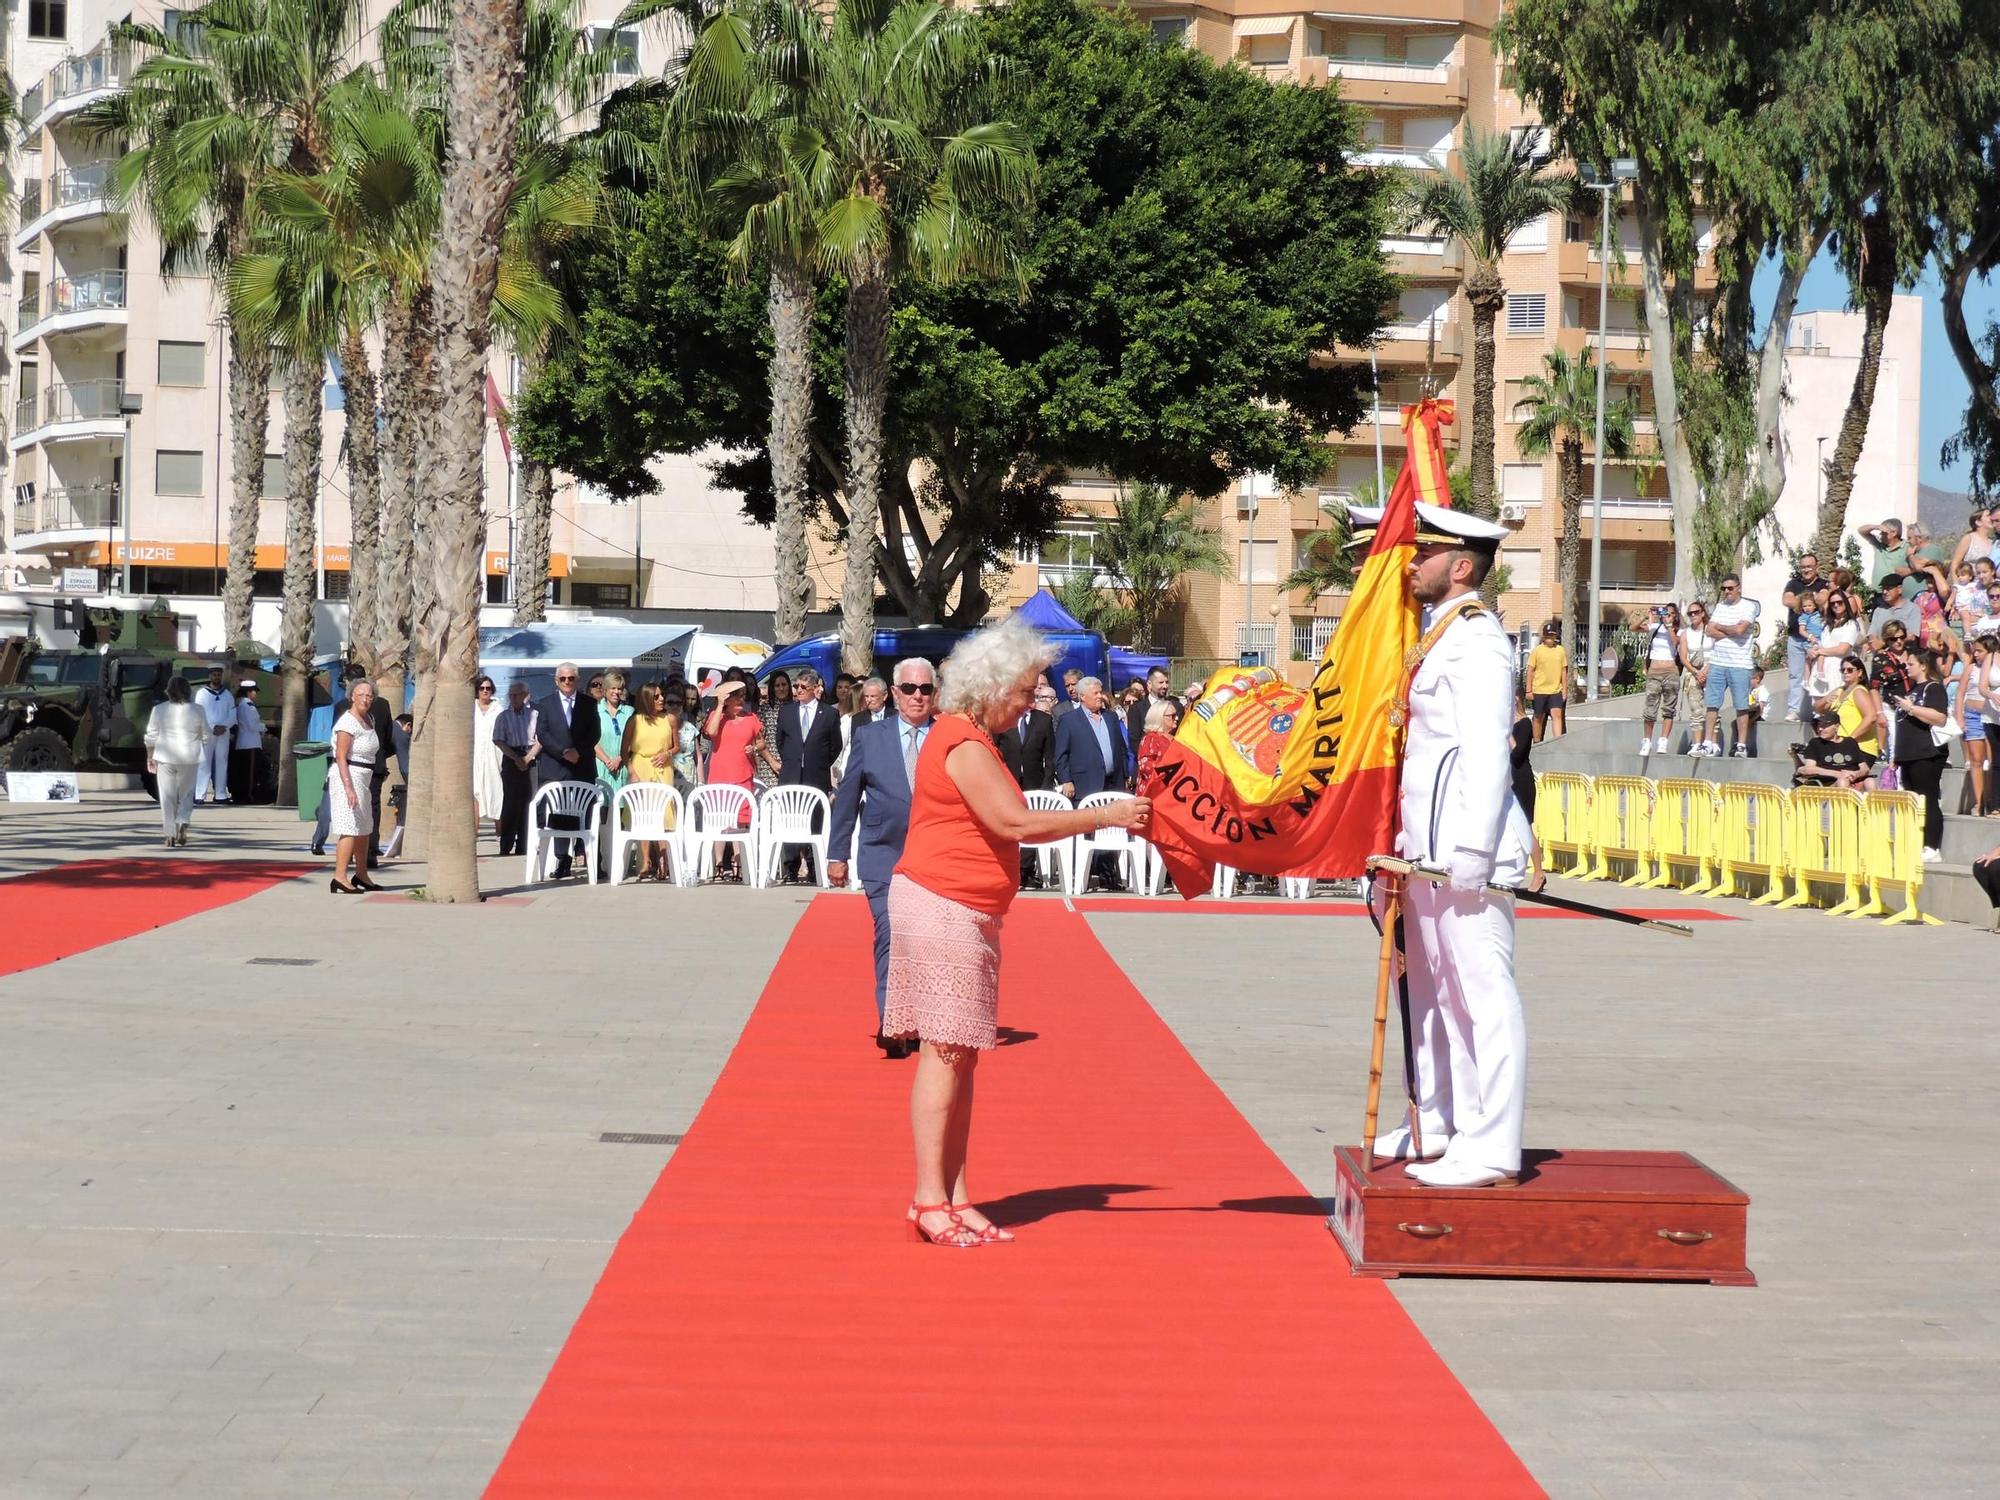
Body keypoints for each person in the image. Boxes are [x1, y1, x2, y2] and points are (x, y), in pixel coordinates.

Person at [884, 618, 1151, 1247]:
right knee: (945, 1054)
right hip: (943, 905)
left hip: (964, 908)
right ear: (994, 686)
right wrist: (1103, 813)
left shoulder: (971, 737)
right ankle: (928, 1200)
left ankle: (955, 1194)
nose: (1034, 699)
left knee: (961, 1057)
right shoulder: (963, 742)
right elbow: (1013, 823)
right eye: (1028, 689)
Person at [1371, 503, 1532, 1190]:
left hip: (1470, 855)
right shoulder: (1440, 636)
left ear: (1461, 566)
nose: (1413, 563)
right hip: (1432, 852)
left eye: (1427, 553)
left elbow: (1487, 756)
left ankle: (1494, 1146)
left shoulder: (1478, 641)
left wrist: (1471, 850)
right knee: (1446, 996)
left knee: (1482, 996)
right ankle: (1462, 1129)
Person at [829, 658, 938, 1057]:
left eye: (925, 689)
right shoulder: (870, 737)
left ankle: (924, 1019)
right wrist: (836, 853)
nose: (917, 696)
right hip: (882, 854)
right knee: (890, 933)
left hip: (935, 860)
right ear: (895, 693)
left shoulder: (950, 739)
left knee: (926, 942)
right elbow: (848, 797)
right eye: (909, 689)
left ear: (934, 693)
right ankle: (892, 1023)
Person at [1053, 674, 1131, 890]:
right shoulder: (1069, 721)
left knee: (1110, 827)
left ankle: (1109, 875)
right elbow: (1061, 755)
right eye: (1096, 693)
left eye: (1100, 692)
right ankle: (1082, 875)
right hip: (1085, 784)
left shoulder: (1111, 718)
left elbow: (1121, 749)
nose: (1100, 696)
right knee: (1085, 829)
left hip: (1112, 782)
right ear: (1083, 696)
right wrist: (1066, 780)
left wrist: (1125, 773)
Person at [702, 680, 778, 882]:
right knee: (720, 820)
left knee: (740, 821)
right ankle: (719, 863)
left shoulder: (751, 718)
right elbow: (711, 732)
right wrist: (719, 706)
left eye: (742, 696)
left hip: (743, 774)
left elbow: (761, 741)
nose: (740, 700)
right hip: (720, 775)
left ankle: (738, 863)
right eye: (736, 697)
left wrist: (754, 748)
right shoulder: (716, 716)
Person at [535, 662, 603, 879]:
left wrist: (578, 752)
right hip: (556, 767)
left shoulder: (589, 703)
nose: (567, 682)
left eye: (571, 678)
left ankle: (593, 860)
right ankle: (562, 859)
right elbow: (543, 734)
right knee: (559, 816)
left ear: (577, 679)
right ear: (556, 680)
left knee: (588, 812)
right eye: (563, 679)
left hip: (582, 766)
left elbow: (594, 733)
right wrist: (563, 752)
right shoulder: (545, 704)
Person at [772, 666, 841, 881]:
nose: (798, 690)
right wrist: (794, 761)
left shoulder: (829, 713)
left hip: (815, 775)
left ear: (814, 689)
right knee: (790, 820)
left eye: (803, 687)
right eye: (796, 686)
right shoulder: (787, 712)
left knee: (815, 822)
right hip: (791, 774)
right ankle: (790, 867)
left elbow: (835, 745)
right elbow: (780, 742)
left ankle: (813, 867)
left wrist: (816, 762)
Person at [1888, 648, 1951, 861]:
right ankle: (1916, 842)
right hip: (1908, 753)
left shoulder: (1933, 688)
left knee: (1928, 798)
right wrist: (1895, 756)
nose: (1906, 667)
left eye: (1911, 664)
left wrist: (1912, 708)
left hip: (1927, 753)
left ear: (1923, 665)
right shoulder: (1913, 689)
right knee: (1913, 800)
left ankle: (1932, 846)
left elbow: (1939, 717)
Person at [621, 682, 681, 881]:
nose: (662, 699)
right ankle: (646, 861)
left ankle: (663, 860)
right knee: (643, 815)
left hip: (663, 769)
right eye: (656, 697)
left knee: (664, 814)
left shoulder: (670, 719)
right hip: (641, 767)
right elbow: (624, 750)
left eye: (662, 695)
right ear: (646, 699)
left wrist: (667, 754)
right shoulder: (635, 721)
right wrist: (632, 772)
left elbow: (676, 747)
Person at [1695, 573, 1759, 757]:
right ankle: (1707, 743)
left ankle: (1741, 745)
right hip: (1718, 662)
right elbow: (1709, 630)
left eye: (1730, 588)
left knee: (1741, 705)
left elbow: (1741, 630)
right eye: (1723, 589)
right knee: (1712, 704)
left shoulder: (1749, 606)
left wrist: (1721, 628)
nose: (1726, 592)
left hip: (1740, 663)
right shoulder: (1721, 606)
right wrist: (1730, 630)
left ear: (1738, 587)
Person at [329, 680, 383, 894]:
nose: (365, 699)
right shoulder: (347, 722)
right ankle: (339, 876)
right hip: (348, 775)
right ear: (352, 696)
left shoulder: (370, 719)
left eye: (369, 695)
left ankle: (361, 874)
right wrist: (349, 787)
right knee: (349, 826)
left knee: (364, 827)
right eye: (361, 694)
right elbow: (341, 757)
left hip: (365, 777)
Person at [144, 675, 205, 848]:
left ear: (168, 692)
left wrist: (150, 756)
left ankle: (169, 834)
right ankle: (183, 820)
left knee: (167, 796)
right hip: (190, 756)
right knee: (186, 794)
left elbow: (150, 736)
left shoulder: (159, 709)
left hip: (165, 756)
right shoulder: (198, 709)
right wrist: (199, 741)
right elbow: (206, 733)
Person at [492, 680, 540, 858]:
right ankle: (505, 845)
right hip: (511, 757)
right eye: (510, 695)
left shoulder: (535, 715)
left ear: (525, 695)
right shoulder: (503, 716)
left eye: (517, 694)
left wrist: (528, 758)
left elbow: (541, 738)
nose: (513, 698)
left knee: (530, 800)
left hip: (531, 756)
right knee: (511, 803)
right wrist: (516, 758)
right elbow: (498, 739)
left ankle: (524, 845)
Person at [1781, 552, 1826, 721]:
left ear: (1816, 567)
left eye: (1809, 566)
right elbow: (1786, 600)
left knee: (1818, 673)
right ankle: (1794, 710)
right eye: (1803, 567)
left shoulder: (1823, 583)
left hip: (1814, 638)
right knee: (1795, 674)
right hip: (1795, 637)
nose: (1806, 570)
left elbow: (1822, 599)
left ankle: (1818, 710)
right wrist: (1810, 600)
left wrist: (1800, 600)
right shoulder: (1793, 583)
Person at [1638, 605, 1685, 754]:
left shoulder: (1679, 630)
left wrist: (1670, 625)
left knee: (1669, 709)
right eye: (1665, 613)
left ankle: (1663, 740)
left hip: (1670, 671)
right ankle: (1647, 741)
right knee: (1650, 708)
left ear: (1675, 616)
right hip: (1654, 671)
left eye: (1670, 614)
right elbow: (1634, 627)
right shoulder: (1655, 627)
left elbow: (1676, 642)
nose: (1667, 616)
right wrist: (1648, 616)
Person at [1791, 710, 1875, 791]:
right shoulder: (1815, 743)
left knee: (1870, 781)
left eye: (1824, 726)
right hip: (1829, 783)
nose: (1820, 729)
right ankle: (1845, 805)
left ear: (1836, 726)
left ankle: (1873, 805)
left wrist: (1856, 774)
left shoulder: (1850, 742)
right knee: (1843, 781)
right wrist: (1839, 774)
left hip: (1852, 778)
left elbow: (1865, 768)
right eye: (1819, 725)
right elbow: (1809, 769)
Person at [995, 682, 1057, 793]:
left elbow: (1050, 758)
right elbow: (995, 750)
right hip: (1008, 783)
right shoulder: (1004, 718)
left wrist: (1046, 787)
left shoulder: (1044, 720)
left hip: (1036, 785)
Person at [1804, 590, 1862, 702]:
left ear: (1845, 603)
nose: (1836, 605)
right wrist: (1811, 650)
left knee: (1835, 708)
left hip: (1837, 671)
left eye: (1839, 602)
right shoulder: (1826, 625)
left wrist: (1820, 651)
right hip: (1820, 671)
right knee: (1818, 710)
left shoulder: (1851, 624)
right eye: (1832, 603)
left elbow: (1842, 650)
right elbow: (1820, 643)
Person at [192, 666, 236, 805]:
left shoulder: (227, 695)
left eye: (218, 675)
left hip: (223, 733)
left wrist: (225, 726)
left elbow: (233, 714)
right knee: (204, 763)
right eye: (214, 675)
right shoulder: (202, 694)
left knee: (222, 763)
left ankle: (221, 795)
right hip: (207, 732)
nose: (216, 677)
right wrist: (212, 727)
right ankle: (200, 794)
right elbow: (199, 713)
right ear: (210, 676)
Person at [472, 675, 506, 840]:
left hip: (494, 756)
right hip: (475, 755)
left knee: (496, 792)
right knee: (475, 792)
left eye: (488, 688)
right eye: (482, 688)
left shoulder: (498, 709)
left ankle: (500, 831)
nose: (485, 691)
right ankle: (474, 832)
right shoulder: (471, 708)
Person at [1525, 621, 1567, 741]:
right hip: (1539, 690)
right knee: (1538, 717)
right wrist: (1528, 690)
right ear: (1543, 636)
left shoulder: (1560, 651)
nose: (1550, 638)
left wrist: (1564, 689)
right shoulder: (1537, 651)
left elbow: (1564, 671)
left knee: (1557, 715)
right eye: (1548, 636)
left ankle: (1558, 741)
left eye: (1552, 635)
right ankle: (1537, 742)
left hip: (1555, 690)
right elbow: (1530, 671)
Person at [230, 680, 266, 804]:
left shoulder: (241, 704)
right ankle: (248, 796)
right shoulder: (248, 705)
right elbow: (252, 725)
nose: (255, 694)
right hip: (250, 743)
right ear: (248, 692)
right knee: (250, 773)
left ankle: (242, 795)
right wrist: (263, 727)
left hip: (244, 742)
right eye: (254, 691)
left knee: (244, 771)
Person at [1867, 573, 1923, 650]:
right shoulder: (1879, 610)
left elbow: (1912, 636)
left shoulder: (1912, 609)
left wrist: (1885, 642)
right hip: (1881, 656)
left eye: (1888, 588)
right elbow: (1872, 633)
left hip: (1903, 656)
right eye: (1883, 589)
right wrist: (1874, 643)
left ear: (1899, 589)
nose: (1884, 592)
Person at [1858, 517, 1910, 589]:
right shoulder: (1879, 544)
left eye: (1883, 532)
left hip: (1895, 593)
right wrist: (1876, 527)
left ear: (1894, 533)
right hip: (1877, 593)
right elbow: (1861, 531)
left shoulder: (1907, 547)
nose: (1880, 534)